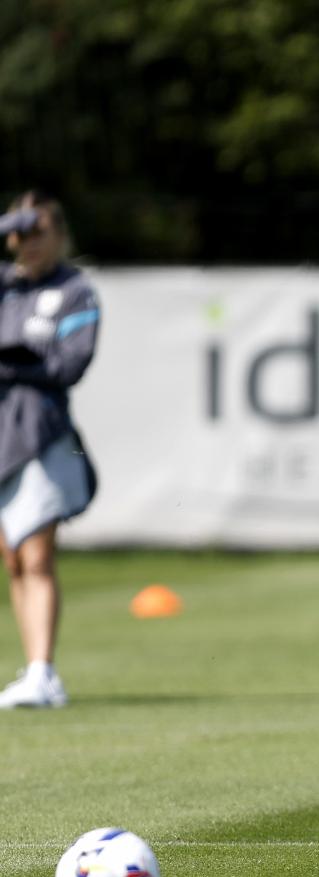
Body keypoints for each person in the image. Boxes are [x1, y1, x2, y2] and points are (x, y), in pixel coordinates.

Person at [0, 190, 100, 709]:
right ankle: (35, 670)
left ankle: (44, 671)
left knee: (36, 552)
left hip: (41, 432)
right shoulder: (5, 287)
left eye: (38, 231)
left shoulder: (74, 291)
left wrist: (15, 363)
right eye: (19, 232)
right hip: (0, 434)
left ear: (60, 234)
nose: (28, 242)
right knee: (13, 558)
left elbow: (71, 363)